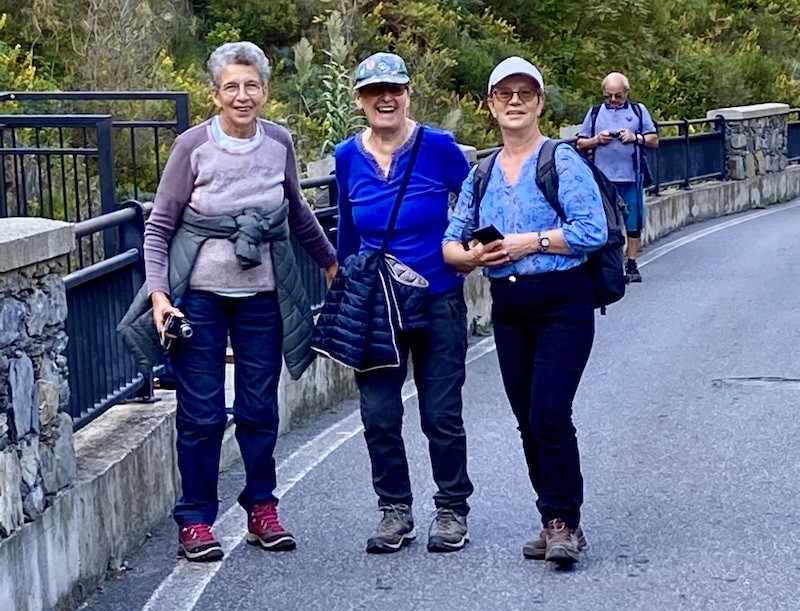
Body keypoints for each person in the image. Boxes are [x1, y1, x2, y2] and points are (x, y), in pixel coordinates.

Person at [143, 41, 338, 562]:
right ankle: (196, 520)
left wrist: (330, 262)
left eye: (251, 85)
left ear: (266, 92)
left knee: (258, 408)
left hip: (263, 298)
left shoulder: (279, 143)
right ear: (215, 93)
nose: (242, 95)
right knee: (202, 414)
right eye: (232, 86)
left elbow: (297, 212)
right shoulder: (191, 146)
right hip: (199, 300)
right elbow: (159, 227)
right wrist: (161, 297)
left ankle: (261, 508)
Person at [442, 56, 607, 568]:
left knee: (549, 413)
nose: (515, 102)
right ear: (491, 106)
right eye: (504, 94)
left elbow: (591, 230)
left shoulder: (562, 160)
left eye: (525, 93)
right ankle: (551, 516)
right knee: (526, 420)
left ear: (539, 102)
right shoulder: (482, 172)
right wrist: (477, 255)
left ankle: (565, 523)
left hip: (564, 302)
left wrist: (524, 243)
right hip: (510, 309)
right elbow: (451, 242)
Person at [332, 52, 474, 554]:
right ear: (360, 101)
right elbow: (348, 230)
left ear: (409, 92)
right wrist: (342, 286)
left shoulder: (438, 147)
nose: (385, 98)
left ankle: (452, 509)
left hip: (437, 298)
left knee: (440, 413)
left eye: (394, 88)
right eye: (374, 92)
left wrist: (473, 249)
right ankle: (395, 510)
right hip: (375, 308)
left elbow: (475, 199)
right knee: (379, 415)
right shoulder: (347, 155)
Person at [576, 71, 658, 283]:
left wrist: (634, 138)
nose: (613, 100)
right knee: (605, 224)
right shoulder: (594, 113)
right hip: (602, 180)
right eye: (609, 96)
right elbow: (580, 144)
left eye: (617, 96)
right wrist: (596, 140)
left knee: (633, 222)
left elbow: (654, 140)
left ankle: (631, 263)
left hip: (631, 176)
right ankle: (606, 266)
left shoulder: (638, 111)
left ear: (626, 93)